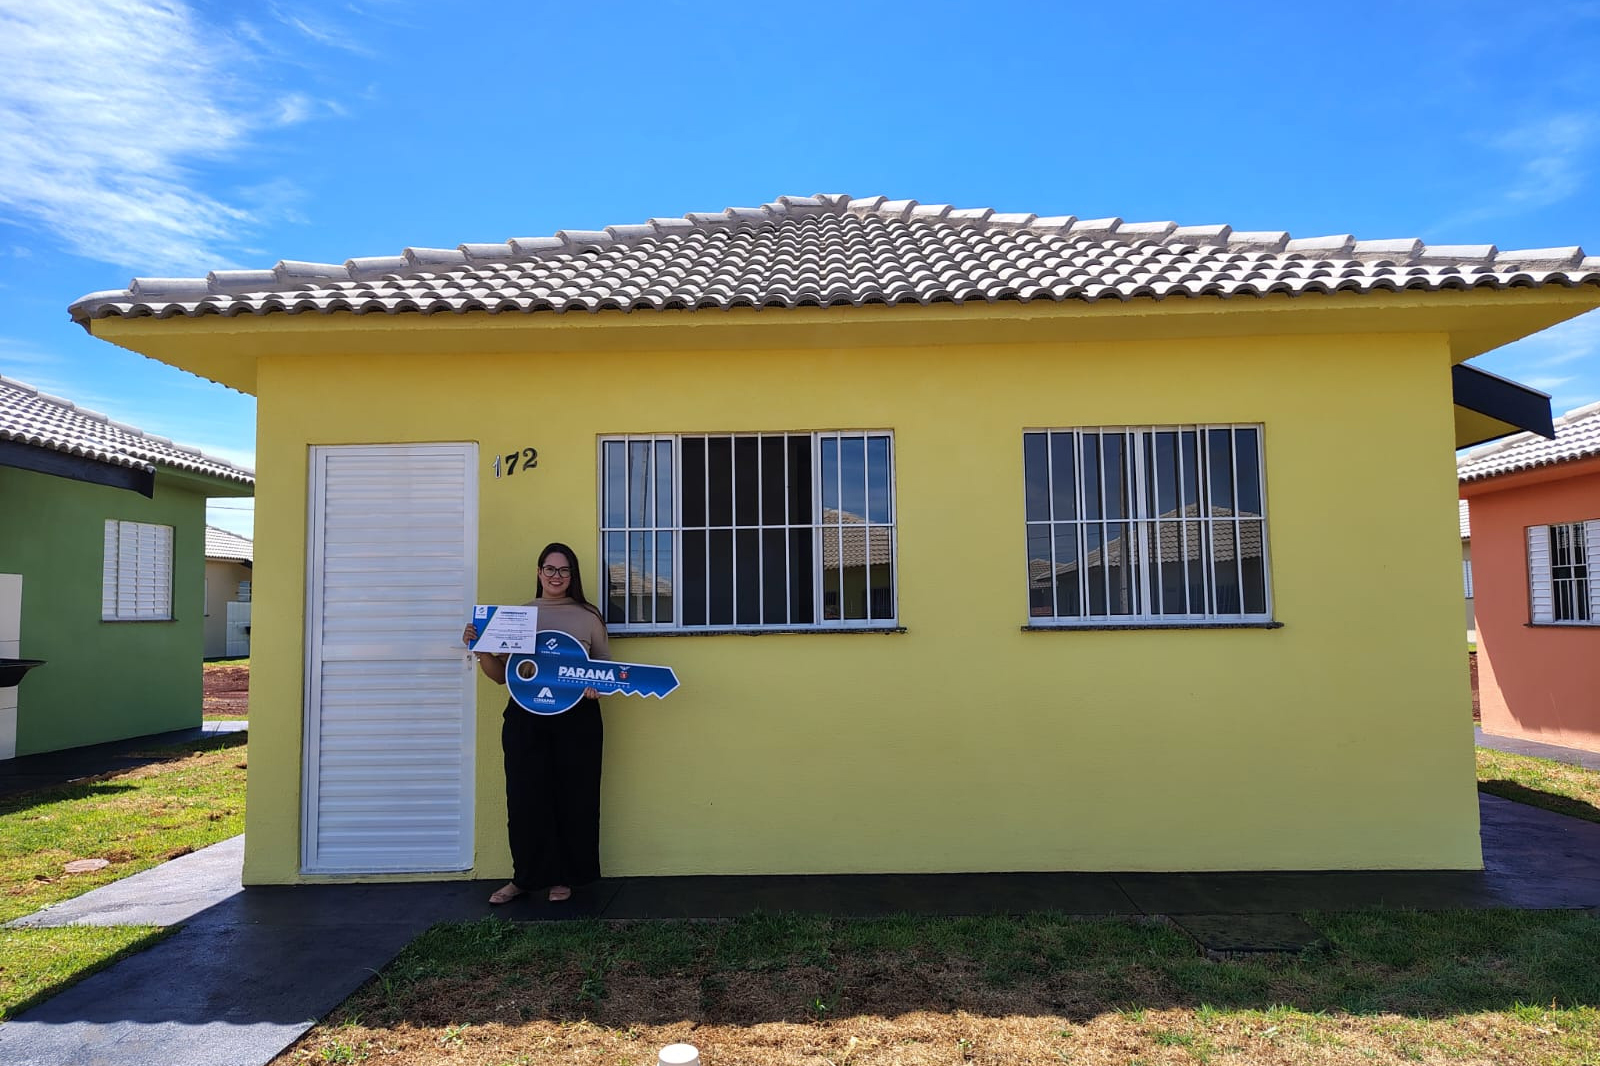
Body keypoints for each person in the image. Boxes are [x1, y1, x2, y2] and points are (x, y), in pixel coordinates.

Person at [462, 542, 609, 904]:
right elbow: (501, 676)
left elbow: (605, 673)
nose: (556, 576)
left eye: (563, 570)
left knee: (574, 799)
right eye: (549, 568)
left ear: (572, 576)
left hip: (576, 721)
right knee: (526, 799)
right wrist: (481, 649)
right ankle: (525, 878)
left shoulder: (589, 617)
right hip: (525, 719)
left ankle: (565, 878)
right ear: (539, 572)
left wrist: (595, 687)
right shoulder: (518, 617)